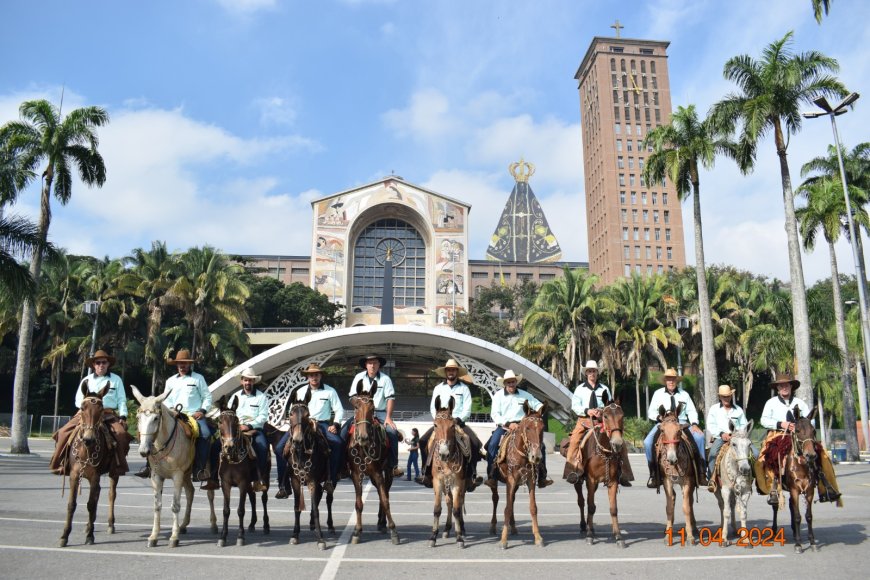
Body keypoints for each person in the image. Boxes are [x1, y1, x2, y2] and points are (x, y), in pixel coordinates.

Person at [136, 348, 218, 488]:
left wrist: (202, 410)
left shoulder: (198, 378)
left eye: (185, 363)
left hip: (194, 415)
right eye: (180, 363)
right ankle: (149, 466)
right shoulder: (170, 381)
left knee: (204, 434)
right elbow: (166, 400)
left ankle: (199, 468)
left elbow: (207, 397)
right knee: (151, 430)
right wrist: (170, 410)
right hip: (174, 414)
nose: (182, 366)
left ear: (189, 364)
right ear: (176, 364)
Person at [756, 374, 841, 506]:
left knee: (821, 453)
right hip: (778, 434)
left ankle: (826, 486)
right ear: (778, 387)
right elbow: (764, 420)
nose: (784, 387)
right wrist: (781, 424)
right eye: (781, 385)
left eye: (787, 385)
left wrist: (801, 426)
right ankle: (772, 486)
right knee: (767, 455)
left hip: (801, 435)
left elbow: (811, 420)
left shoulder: (800, 403)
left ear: (791, 386)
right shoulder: (771, 403)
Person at [49, 350, 133, 477]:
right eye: (98, 362)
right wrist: (88, 405)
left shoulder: (116, 380)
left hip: (107, 414)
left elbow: (121, 399)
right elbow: (78, 399)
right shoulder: (86, 380)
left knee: (121, 434)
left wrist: (123, 416)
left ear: (108, 364)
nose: (101, 365)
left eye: (103, 362)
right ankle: (59, 463)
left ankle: (119, 465)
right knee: (62, 432)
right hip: (87, 413)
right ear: (94, 365)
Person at [275, 363, 345, 498]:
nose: (314, 377)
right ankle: (284, 486)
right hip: (301, 425)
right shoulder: (299, 392)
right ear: (307, 377)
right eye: (311, 375)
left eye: (316, 375)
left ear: (320, 376)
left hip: (322, 424)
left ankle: (332, 480)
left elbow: (339, 409)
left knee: (338, 443)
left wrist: (335, 424)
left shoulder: (330, 391)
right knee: (279, 448)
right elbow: (292, 411)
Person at [416, 359, 483, 490]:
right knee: (423, 441)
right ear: (445, 372)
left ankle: (471, 476)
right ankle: (426, 474)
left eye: (453, 370)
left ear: (457, 372)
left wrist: (458, 419)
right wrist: (438, 420)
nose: (451, 372)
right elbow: (432, 407)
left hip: (458, 423)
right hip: (441, 424)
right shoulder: (438, 388)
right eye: (449, 370)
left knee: (474, 442)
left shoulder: (464, 388)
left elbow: (467, 409)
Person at [563, 360, 633, 486]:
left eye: (594, 371)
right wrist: (587, 410)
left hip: (602, 421)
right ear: (586, 374)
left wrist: (601, 411)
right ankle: (571, 471)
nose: (592, 373)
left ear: (597, 373)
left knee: (620, 442)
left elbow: (610, 405)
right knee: (574, 441)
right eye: (589, 371)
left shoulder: (604, 388)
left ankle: (624, 473)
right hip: (584, 421)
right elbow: (574, 406)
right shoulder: (580, 389)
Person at [484, 369, 554, 489]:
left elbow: (537, 405)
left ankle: (542, 476)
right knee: (493, 443)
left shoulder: (525, 395)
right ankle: (492, 476)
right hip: (505, 427)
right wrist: (508, 424)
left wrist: (540, 410)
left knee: (540, 446)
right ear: (505, 383)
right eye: (508, 382)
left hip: (523, 427)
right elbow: (495, 414)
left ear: (516, 382)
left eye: (513, 382)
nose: (511, 384)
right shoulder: (498, 396)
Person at [340, 354, 403, 477]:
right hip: (362, 412)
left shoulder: (385, 379)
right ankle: (343, 465)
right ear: (366, 365)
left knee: (392, 433)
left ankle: (393, 465)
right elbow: (351, 397)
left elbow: (390, 399)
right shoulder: (358, 377)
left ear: (379, 365)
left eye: (375, 363)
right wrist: (361, 406)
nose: (372, 365)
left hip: (380, 412)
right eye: (370, 363)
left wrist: (388, 417)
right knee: (343, 433)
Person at [644, 368, 707, 488]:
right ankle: (653, 474)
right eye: (668, 379)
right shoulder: (658, 394)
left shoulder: (684, 394)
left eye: (673, 379)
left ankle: (702, 473)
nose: (671, 381)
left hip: (681, 423)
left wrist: (694, 423)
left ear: (676, 380)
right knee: (647, 443)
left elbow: (692, 411)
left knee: (699, 437)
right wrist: (659, 418)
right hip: (663, 423)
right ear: (665, 381)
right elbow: (651, 411)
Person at [228, 368, 270, 492]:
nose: (248, 383)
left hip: (255, 430)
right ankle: (213, 477)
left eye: (250, 380)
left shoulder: (261, 397)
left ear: (254, 382)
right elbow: (230, 413)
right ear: (242, 381)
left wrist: (249, 426)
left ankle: (258, 479)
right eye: (246, 380)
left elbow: (263, 416)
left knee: (262, 447)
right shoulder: (235, 396)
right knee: (216, 446)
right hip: (236, 430)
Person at [705, 384, 753, 492]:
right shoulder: (714, 409)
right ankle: (713, 479)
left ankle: (753, 478)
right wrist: (722, 434)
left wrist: (738, 434)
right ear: (720, 397)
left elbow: (744, 425)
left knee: (755, 453)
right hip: (721, 438)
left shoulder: (738, 410)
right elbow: (711, 425)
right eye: (724, 396)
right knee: (713, 454)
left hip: (738, 438)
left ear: (731, 396)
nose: (726, 398)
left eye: (728, 396)